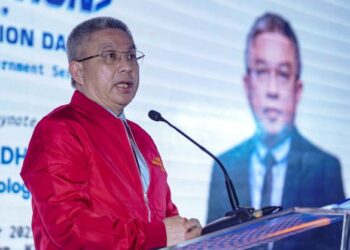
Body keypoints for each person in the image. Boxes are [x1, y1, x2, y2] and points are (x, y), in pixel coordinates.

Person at [21, 16, 201, 250]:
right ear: (78, 71)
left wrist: (186, 230)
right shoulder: (59, 129)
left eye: (131, 56)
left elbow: (164, 216)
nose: (127, 66)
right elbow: (69, 227)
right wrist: (159, 234)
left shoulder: (142, 139)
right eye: (110, 56)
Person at [207, 12, 345, 249]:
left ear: (298, 89)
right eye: (261, 71)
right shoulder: (224, 166)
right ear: (247, 85)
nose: (272, 90)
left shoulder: (325, 167)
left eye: (282, 74)